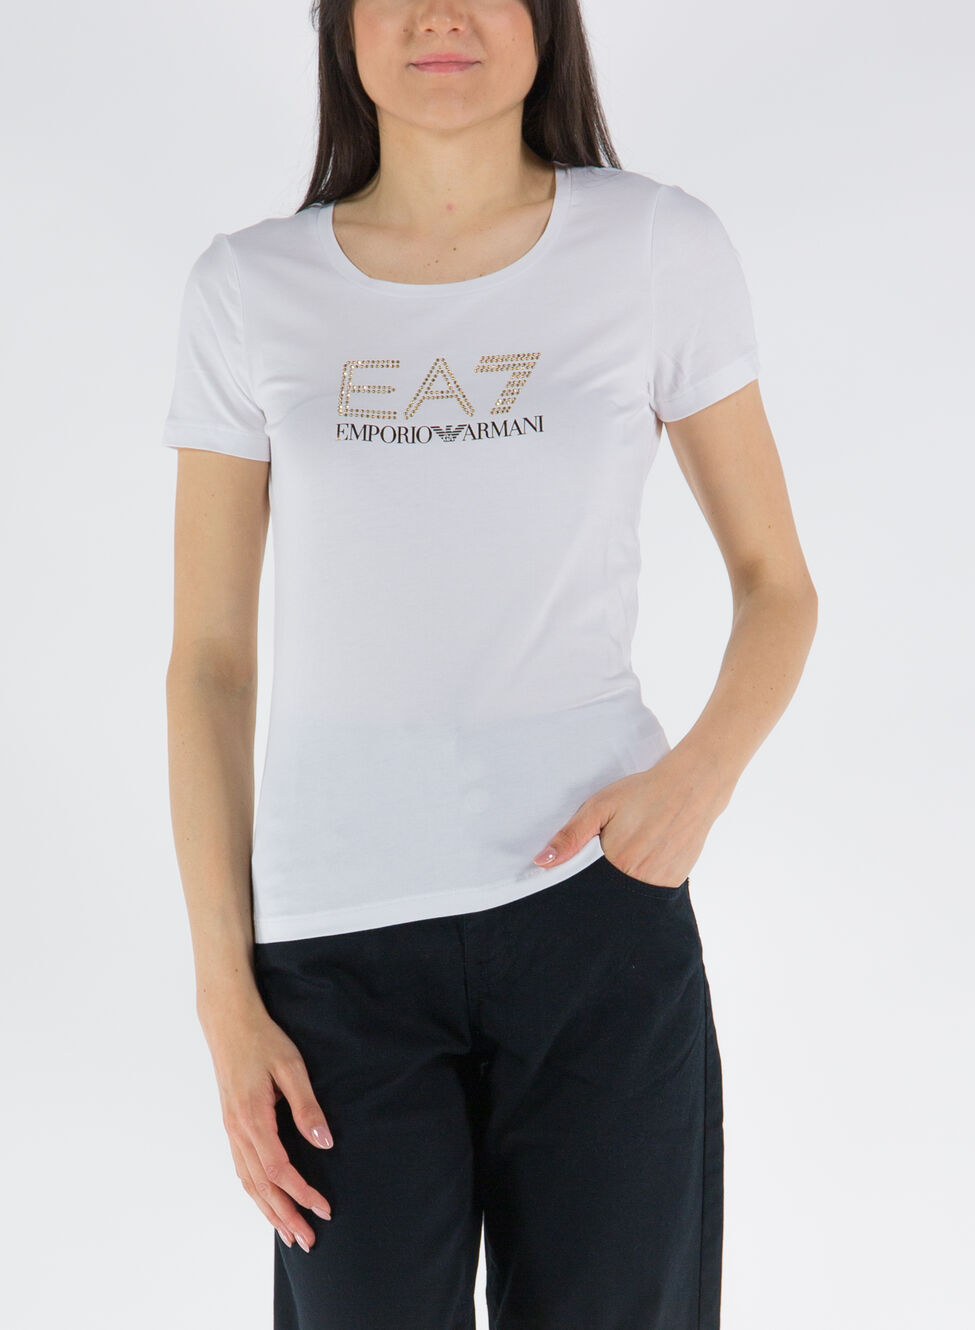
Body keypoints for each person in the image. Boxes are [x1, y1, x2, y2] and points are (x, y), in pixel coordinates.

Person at [161, 2, 817, 1327]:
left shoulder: (655, 247)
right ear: (343, 23)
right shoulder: (246, 290)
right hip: (334, 961)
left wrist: (695, 785)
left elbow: (778, 587)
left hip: (597, 921)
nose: (443, 15)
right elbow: (211, 665)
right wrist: (227, 999)